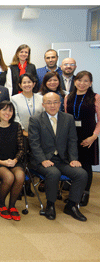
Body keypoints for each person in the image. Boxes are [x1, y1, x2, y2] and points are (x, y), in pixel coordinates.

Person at [29, 92, 88, 221]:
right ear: (43, 105)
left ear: (60, 104)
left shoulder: (68, 118)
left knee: (81, 174)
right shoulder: (35, 119)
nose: (52, 105)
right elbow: (34, 143)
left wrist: (73, 159)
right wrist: (43, 160)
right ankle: (50, 205)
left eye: (55, 102)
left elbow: (72, 140)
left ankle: (72, 205)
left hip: (62, 159)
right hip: (42, 160)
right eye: (48, 102)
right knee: (53, 173)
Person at [0, 101, 25, 221]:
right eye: (4, 110)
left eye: (10, 110)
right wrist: (2, 162)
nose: (7, 113)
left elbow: (21, 148)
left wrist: (15, 160)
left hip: (14, 161)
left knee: (20, 176)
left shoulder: (16, 126)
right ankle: (1, 204)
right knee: (9, 177)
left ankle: (12, 206)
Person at [64, 71, 99, 206]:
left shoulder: (95, 97)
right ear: (74, 81)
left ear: (90, 83)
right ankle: (74, 194)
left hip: (89, 136)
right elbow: (67, 118)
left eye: (85, 81)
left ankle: (85, 194)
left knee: (85, 166)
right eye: (79, 80)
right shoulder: (69, 97)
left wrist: (93, 136)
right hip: (72, 136)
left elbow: (99, 120)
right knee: (73, 164)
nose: (82, 83)